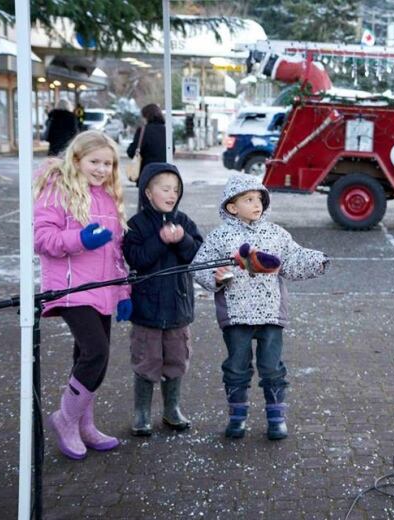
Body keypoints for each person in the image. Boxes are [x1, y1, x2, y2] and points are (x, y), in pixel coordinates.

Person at [192, 175, 328, 440]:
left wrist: (318, 261)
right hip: (236, 316)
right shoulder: (220, 236)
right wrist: (215, 277)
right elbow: (199, 266)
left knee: (272, 367)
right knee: (236, 367)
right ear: (232, 207)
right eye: (249, 200)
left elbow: (292, 259)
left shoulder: (276, 233)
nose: (257, 204)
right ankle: (237, 417)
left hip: (270, 315)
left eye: (260, 199)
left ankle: (276, 418)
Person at [33, 130, 132, 460]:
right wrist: (80, 240)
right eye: (95, 162)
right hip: (71, 288)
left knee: (90, 359)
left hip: (102, 290)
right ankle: (66, 419)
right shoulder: (56, 190)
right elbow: (43, 239)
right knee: (95, 352)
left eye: (108, 163)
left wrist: (123, 291)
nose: (102, 169)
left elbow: (117, 252)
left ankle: (84, 425)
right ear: (76, 159)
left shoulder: (107, 196)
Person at [123, 162, 203, 437]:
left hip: (178, 308)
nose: (171, 194)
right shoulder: (136, 225)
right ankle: (142, 412)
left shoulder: (185, 222)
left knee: (177, 358)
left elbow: (197, 255)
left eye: (176, 189)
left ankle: (172, 409)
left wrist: (182, 240)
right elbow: (136, 258)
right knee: (147, 359)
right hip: (147, 309)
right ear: (148, 192)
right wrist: (160, 240)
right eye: (165, 188)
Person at [127, 103, 167, 180]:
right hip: (164, 173)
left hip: (147, 174)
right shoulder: (167, 130)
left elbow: (132, 152)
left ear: (146, 116)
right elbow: (172, 150)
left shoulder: (143, 131)